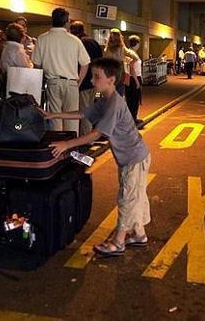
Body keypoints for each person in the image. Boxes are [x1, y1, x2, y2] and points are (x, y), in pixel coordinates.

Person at [43, 58, 151, 257]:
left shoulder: (115, 104)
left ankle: (119, 242)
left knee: (127, 198)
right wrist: (53, 115)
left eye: (96, 77)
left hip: (133, 158)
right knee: (136, 196)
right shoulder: (106, 99)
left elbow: (97, 134)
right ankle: (139, 234)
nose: (92, 81)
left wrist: (66, 144)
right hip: (133, 156)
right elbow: (84, 113)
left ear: (111, 80)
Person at [32, 8, 90, 134]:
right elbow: (85, 63)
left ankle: (57, 148)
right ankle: (72, 148)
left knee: (54, 117)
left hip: (52, 82)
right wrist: (78, 81)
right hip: (71, 83)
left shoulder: (42, 39)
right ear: (67, 22)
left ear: (52, 20)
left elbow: (36, 64)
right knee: (72, 119)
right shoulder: (75, 40)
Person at [69, 20, 103, 136]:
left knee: (83, 110)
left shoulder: (79, 43)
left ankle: (85, 137)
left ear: (73, 31)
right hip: (94, 81)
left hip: (83, 81)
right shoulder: (94, 42)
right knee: (90, 107)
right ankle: (90, 134)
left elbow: (80, 63)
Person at [103, 28, 139, 97]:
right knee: (119, 93)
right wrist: (131, 63)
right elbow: (135, 57)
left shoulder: (107, 49)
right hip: (120, 71)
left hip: (110, 71)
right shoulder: (121, 48)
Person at [126, 35, 143, 123]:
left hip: (133, 77)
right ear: (136, 43)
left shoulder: (130, 52)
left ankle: (133, 117)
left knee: (132, 99)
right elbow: (132, 67)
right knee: (133, 99)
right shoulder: (132, 53)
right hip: (134, 78)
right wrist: (137, 81)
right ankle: (132, 119)